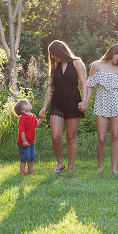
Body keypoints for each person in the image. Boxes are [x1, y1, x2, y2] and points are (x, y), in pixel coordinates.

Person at [39, 40, 87, 173]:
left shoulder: (77, 63)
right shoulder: (55, 67)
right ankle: (60, 163)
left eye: (53, 54)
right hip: (57, 102)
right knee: (55, 136)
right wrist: (44, 107)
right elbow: (51, 88)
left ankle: (70, 168)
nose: (53, 57)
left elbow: (83, 83)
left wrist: (85, 101)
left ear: (60, 51)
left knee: (71, 137)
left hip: (73, 101)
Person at [82, 43, 118, 173]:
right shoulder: (97, 65)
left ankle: (114, 169)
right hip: (101, 104)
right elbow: (90, 86)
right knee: (101, 138)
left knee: (115, 136)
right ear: (113, 52)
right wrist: (85, 101)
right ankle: (100, 167)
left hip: (116, 104)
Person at [14, 99, 44, 175]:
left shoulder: (32, 116)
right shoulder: (23, 119)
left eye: (28, 103)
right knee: (24, 157)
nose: (29, 104)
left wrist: (41, 119)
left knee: (31, 157)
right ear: (22, 111)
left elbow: (36, 124)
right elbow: (22, 131)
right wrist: (24, 141)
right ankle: (21, 172)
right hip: (24, 142)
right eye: (26, 104)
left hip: (31, 141)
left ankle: (30, 170)